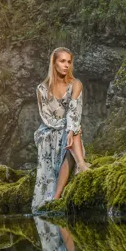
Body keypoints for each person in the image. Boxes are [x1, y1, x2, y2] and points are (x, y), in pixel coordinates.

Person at [31, 47, 91, 211]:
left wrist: (70, 129)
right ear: (54, 63)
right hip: (48, 132)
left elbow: (74, 110)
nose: (66, 65)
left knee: (74, 128)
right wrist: (66, 128)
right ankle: (81, 163)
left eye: (69, 62)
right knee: (72, 129)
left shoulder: (76, 84)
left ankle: (57, 196)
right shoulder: (42, 89)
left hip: (69, 129)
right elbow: (46, 117)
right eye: (62, 61)